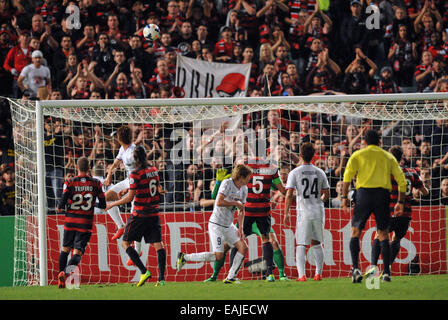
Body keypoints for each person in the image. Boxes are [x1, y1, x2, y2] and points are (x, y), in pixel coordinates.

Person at [341, 130, 407, 283]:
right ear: (380, 142)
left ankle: (356, 269)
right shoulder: (388, 156)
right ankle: (386, 273)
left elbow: (347, 177)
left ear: (364, 142)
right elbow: (401, 181)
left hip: (363, 195)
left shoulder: (357, 155)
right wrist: (400, 202)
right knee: (383, 233)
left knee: (356, 231)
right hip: (382, 196)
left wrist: (344, 197)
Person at [176, 164, 252, 284]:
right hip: (216, 224)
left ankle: (230, 277)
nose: (249, 179)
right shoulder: (227, 183)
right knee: (218, 256)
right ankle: (184, 257)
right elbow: (219, 201)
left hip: (229, 225)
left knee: (243, 247)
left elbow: (241, 210)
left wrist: (240, 227)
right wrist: (236, 203)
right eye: (248, 177)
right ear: (241, 177)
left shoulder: (244, 189)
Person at [106, 145, 167, 287]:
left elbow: (129, 199)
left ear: (135, 159)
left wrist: (113, 204)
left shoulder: (134, 174)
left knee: (125, 243)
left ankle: (144, 271)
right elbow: (157, 187)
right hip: (153, 212)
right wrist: (129, 188)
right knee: (158, 245)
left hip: (139, 214)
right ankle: (161, 279)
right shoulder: (153, 170)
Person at [367, 145, 428, 275]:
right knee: (396, 239)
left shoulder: (384, 172)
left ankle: (373, 266)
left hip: (388, 212)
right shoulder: (412, 172)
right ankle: (386, 269)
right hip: (405, 214)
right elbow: (425, 192)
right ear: (401, 158)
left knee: (379, 236)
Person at [56, 157, 106, 289]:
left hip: (70, 221)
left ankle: (60, 277)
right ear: (89, 168)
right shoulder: (96, 183)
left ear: (77, 168)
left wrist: (61, 206)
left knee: (65, 249)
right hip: (85, 223)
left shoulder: (70, 182)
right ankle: (65, 273)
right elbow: (103, 204)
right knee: (77, 253)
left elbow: (61, 203)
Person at [284, 142, 330, 282]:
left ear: (300, 156)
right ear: (314, 155)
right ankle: (318, 274)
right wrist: (319, 202)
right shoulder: (320, 172)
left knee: (301, 244)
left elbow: (289, 193)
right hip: (318, 212)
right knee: (316, 243)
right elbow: (327, 193)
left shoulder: (294, 172)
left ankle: (301, 275)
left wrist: (286, 213)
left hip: (303, 213)